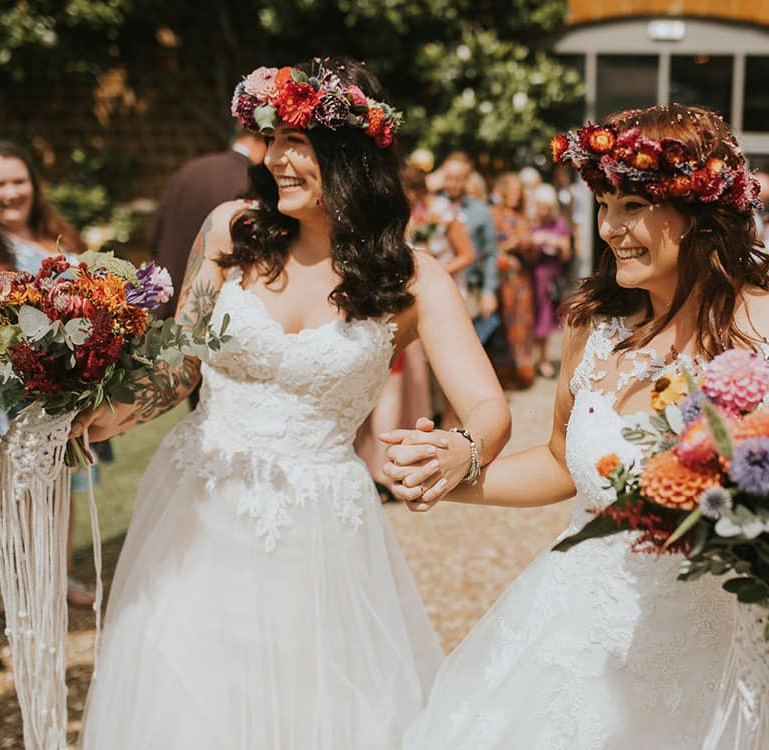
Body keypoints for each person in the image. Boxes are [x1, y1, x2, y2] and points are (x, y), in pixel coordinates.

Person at [387, 104, 769, 749]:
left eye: (632, 203)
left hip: (725, 656)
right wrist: (456, 473)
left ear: (702, 212)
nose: (610, 228)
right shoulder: (596, 327)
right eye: (603, 204)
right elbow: (562, 463)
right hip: (582, 639)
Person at [73, 57, 510, 748]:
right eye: (272, 138)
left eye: (297, 142)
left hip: (320, 532)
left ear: (351, 154)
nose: (276, 158)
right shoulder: (229, 232)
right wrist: (102, 413)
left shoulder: (411, 278)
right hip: (198, 507)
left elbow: (487, 406)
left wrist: (464, 447)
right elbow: (180, 364)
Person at [0, 140, 101, 609]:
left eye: (19, 181)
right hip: (8, 397)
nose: (10, 193)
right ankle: (21, 586)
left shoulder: (60, 237)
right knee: (20, 494)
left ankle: (57, 575)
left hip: (66, 387)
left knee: (66, 483)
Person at [149, 128, 267, 317]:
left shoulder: (189, 170)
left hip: (164, 302)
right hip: (209, 313)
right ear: (262, 139)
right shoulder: (253, 184)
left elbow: (155, 237)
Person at [439, 153, 499, 332]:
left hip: (469, 288)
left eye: (458, 179)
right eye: (449, 178)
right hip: (437, 287)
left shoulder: (481, 212)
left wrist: (489, 291)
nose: (453, 184)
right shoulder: (433, 206)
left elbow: (490, 253)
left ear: (467, 180)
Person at [489, 172, 536, 389]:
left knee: (522, 323)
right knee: (503, 325)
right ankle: (502, 374)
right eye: (512, 191)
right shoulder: (495, 215)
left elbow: (532, 251)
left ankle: (522, 372)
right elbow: (490, 247)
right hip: (503, 278)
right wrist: (508, 249)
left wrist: (528, 245)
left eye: (518, 193)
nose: (515, 196)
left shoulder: (524, 218)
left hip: (522, 278)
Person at [530, 183, 572, 379]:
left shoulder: (560, 225)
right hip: (532, 276)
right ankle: (532, 358)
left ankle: (543, 358)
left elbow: (567, 255)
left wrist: (558, 243)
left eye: (547, 207)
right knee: (532, 317)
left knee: (546, 318)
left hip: (551, 277)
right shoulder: (530, 223)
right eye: (540, 206)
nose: (544, 211)